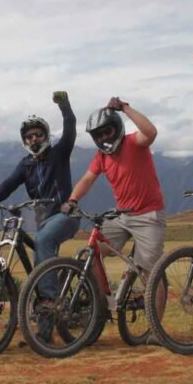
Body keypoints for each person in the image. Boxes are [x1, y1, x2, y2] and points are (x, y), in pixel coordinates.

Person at [0, 91, 80, 305]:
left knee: (43, 240)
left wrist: (64, 105)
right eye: (29, 136)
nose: (33, 139)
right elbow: (10, 183)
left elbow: (70, 128)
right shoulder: (25, 164)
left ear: (46, 136)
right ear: (24, 140)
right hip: (41, 220)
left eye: (38, 134)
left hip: (66, 215)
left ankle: (48, 301)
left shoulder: (59, 153)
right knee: (39, 257)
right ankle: (43, 323)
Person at [63, 97, 166, 283]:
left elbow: (151, 132)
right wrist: (72, 200)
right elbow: (87, 179)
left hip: (148, 216)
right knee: (90, 254)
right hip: (122, 216)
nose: (103, 138)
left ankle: (154, 313)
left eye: (107, 132)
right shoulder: (101, 156)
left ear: (117, 128)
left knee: (151, 275)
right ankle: (100, 306)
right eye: (98, 136)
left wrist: (125, 108)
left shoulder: (134, 143)